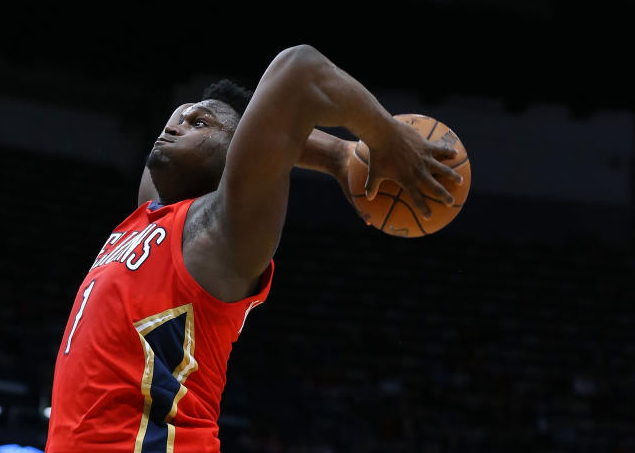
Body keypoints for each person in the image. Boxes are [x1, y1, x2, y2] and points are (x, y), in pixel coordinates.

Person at [44, 44, 462, 452]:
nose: (173, 127)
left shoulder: (222, 232)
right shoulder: (151, 214)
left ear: (239, 152)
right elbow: (268, 127)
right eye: (176, 120)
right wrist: (339, 156)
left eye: (198, 123)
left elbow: (300, 69)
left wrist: (384, 136)